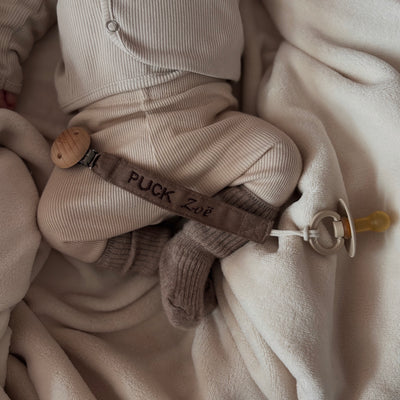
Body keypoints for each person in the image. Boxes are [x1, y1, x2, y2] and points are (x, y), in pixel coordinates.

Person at [0, 0, 302, 328]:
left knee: (280, 158)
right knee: (58, 223)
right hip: (104, 141)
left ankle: (195, 247)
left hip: (202, 116)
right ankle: (164, 255)